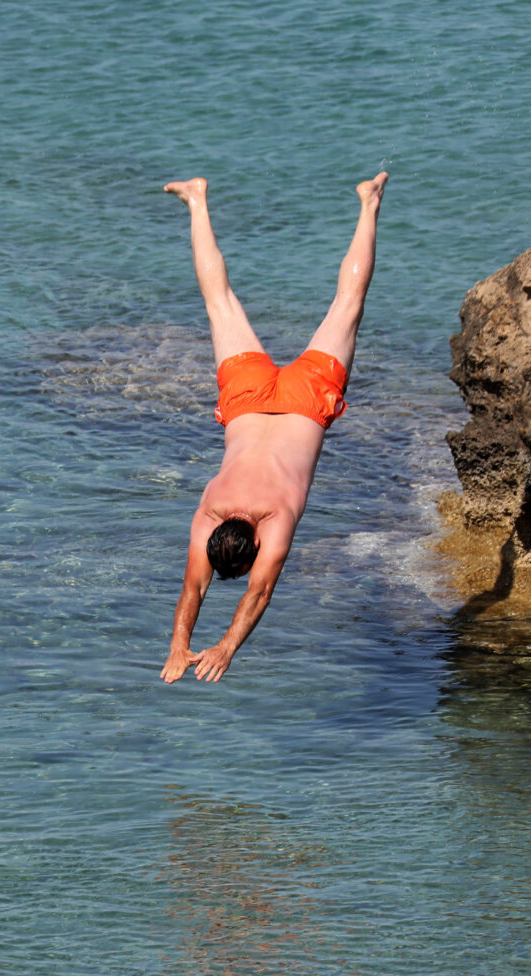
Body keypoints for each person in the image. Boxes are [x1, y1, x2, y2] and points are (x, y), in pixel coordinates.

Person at [159, 171, 387, 684]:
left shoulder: (276, 521)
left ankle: (369, 203)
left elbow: (258, 592)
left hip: (307, 401)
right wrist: (181, 644)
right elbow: (193, 589)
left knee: (348, 305)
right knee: (219, 302)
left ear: (255, 544)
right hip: (246, 398)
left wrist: (224, 648)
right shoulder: (208, 514)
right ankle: (197, 198)